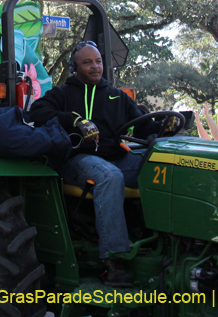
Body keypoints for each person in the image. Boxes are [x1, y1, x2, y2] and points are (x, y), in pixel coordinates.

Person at [29, 41, 176, 287]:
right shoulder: (63, 94)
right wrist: (75, 121)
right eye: (87, 62)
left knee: (167, 165)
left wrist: (165, 127)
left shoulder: (117, 97)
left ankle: (168, 245)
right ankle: (113, 261)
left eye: (98, 61)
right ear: (75, 67)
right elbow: (37, 112)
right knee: (110, 176)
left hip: (116, 157)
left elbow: (144, 126)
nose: (95, 66)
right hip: (78, 159)